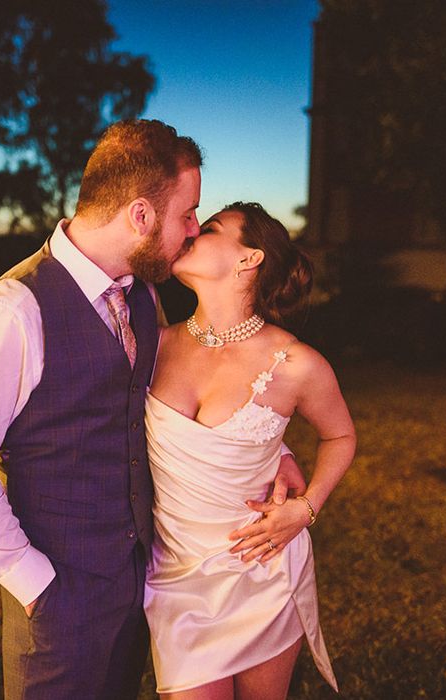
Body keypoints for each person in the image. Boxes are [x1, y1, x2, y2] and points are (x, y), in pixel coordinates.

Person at [0, 121, 305, 700]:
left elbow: (170, 399)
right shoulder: (11, 313)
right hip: (57, 594)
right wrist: (31, 581)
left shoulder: (140, 292)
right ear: (140, 216)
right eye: (187, 215)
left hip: (143, 583)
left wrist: (271, 449)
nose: (190, 232)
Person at [144, 202, 356, 699]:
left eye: (212, 226)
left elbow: (341, 436)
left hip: (262, 570)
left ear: (248, 260)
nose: (193, 229)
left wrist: (305, 509)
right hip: (177, 576)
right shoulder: (153, 343)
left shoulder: (297, 363)